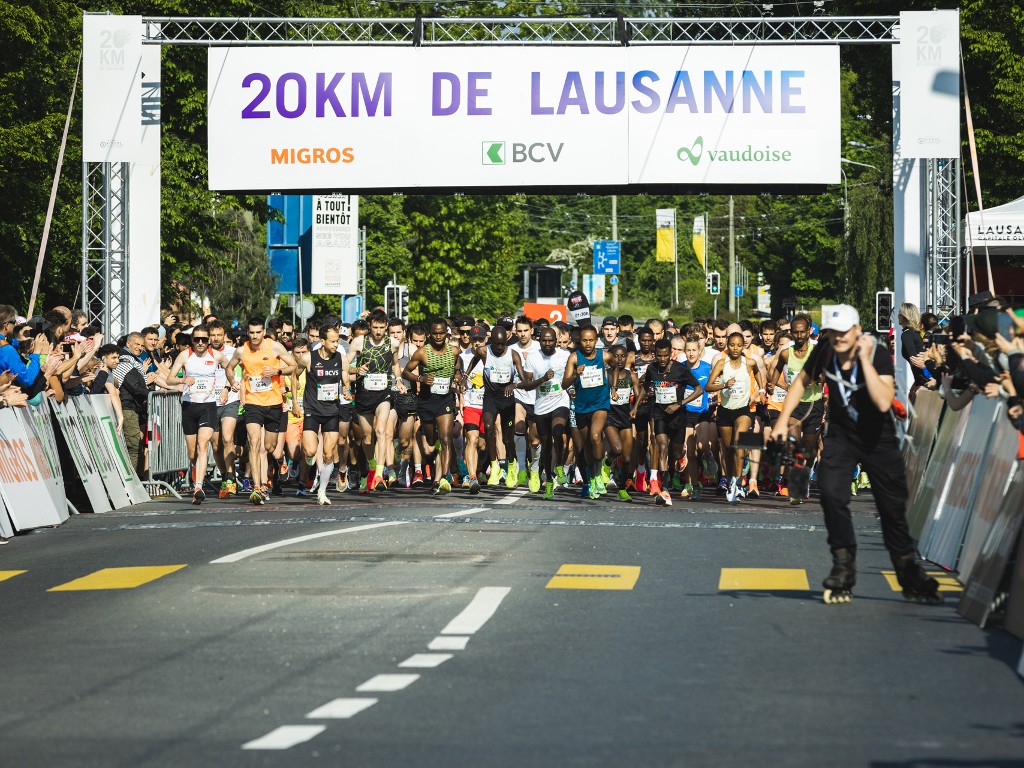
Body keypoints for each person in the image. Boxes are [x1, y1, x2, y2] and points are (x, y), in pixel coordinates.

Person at [771, 304, 941, 604]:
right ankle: (843, 565)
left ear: (856, 331)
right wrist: (783, 421)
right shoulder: (825, 349)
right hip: (842, 434)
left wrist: (864, 361)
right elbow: (800, 382)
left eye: (844, 333)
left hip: (878, 436)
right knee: (832, 492)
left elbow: (884, 398)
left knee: (891, 506)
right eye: (833, 333)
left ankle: (907, 570)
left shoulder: (874, 352)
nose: (838, 339)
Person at [226, 318, 297, 505]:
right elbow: (229, 367)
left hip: (273, 403)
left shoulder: (274, 347)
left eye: (258, 332)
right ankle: (258, 487)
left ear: (263, 332)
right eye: (252, 333)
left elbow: (293, 366)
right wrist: (233, 381)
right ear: (248, 333)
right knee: (254, 442)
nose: (255, 336)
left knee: (270, 447)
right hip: (252, 403)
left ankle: (271, 472)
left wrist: (276, 371)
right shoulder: (242, 350)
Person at [631, 338, 704, 505]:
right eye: (659, 356)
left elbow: (699, 389)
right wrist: (635, 406)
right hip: (660, 414)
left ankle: (682, 454)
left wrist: (679, 404)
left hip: (678, 416)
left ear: (671, 354)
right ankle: (665, 490)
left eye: (665, 356)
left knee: (675, 452)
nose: (662, 359)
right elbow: (645, 387)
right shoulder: (652, 369)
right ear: (655, 355)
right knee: (662, 447)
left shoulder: (681, 369)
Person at [167, 326, 232, 504]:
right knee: (192, 452)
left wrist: (228, 386)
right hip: (189, 406)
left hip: (208, 407)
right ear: (192, 341)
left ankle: (198, 487)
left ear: (208, 340)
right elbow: (169, 379)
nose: (201, 343)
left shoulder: (216, 355)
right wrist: (182, 380)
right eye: (197, 340)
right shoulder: (185, 355)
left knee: (203, 445)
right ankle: (198, 478)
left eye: (204, 339)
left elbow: (231, 368)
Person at [402, 318, 463, 495]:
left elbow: (457, 368)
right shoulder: (422, 353)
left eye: (441, 333)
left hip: (445, 400)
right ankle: (428, 436)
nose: (438, 336)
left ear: (446, 334)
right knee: (431, 444)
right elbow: (406, 371)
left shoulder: (453, 351)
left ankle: (444, 477)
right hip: (427, 402)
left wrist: (458, 377)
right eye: (435, 333)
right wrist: (421, 378)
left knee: (446, 438)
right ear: (430, 334)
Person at [345, 309, 401, 493]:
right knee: (367, 438)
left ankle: (379, 473)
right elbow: (344, 365)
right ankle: (371, 465)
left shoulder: (393, 342)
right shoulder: (359, 342)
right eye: (375, 327)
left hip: (384, 392)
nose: (378, 331)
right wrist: (356, 370)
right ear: (370, 326)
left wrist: (399, 380)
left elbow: (395, 364)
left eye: (381, 328)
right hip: (364, 393)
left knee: (382, 430)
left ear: (386, 327)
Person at [706, 332, 761, 503]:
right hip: (725, 411)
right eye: (732, 345)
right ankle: (731, 480)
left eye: (739, 345)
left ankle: (738, 483)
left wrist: (762, 389)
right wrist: (724, 385)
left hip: (744, 411)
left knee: (739, 445)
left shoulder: (749, 363)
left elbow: (759, 374)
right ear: (728, 346)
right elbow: (708, 386)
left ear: (743, 345)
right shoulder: (722, 363)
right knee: (729, 450)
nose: (735, 348)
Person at [294, 325, 345, 505]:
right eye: (332, 341)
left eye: (337, 341)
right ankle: (307, 463)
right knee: (309, 451)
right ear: (322, 341)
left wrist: (346, 389)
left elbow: (345, 378)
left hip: (332, 411)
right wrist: (294, 401)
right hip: (312, 410)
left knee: (329, 454)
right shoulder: (309, 358)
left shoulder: (340, 358)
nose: (336, 344)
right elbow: (294, 375)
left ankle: (322, 492)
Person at [562, 325, 612, 500]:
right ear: (579, 341)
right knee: (585, 448)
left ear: (596, 340)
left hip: (600, 404)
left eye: (591, 340)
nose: (588, 343)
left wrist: (611, 385)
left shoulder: (604, 355)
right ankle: (590, 477)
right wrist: (575, 375)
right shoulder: (574, 358)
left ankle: (598, 475)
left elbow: (616, 365)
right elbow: (564, 384)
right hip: (582, 406)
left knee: (596, 436)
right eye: (585, 340)